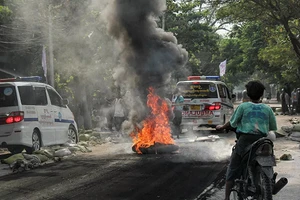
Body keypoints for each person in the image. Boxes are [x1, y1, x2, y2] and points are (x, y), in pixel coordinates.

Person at [216, 80, 277, 200]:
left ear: (247, 94)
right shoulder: (267, 109)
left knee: (233, 167)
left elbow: (232, 123)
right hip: (263, 140)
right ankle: (270, 182)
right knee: (269, 156)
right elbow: (273, 127)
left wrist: (222, 127)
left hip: (245, 140)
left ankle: (227, 197)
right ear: (262, 94)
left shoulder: (243, 107)